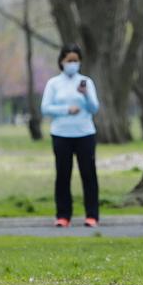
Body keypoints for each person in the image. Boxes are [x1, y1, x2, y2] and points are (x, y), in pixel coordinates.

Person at [41, 43, 100, 227]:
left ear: (80, 62)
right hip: (61, 134)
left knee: (88, 174)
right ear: (61, 62)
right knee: (63, 175)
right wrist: (66, 109)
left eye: (76, 60)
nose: (72, 64)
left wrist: (85, 95)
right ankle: (63, 216)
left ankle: (92, 215)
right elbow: (45, 108)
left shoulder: (86, 82)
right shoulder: (53, 83)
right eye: (69, 60)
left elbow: (94, 108)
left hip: (84, 134)